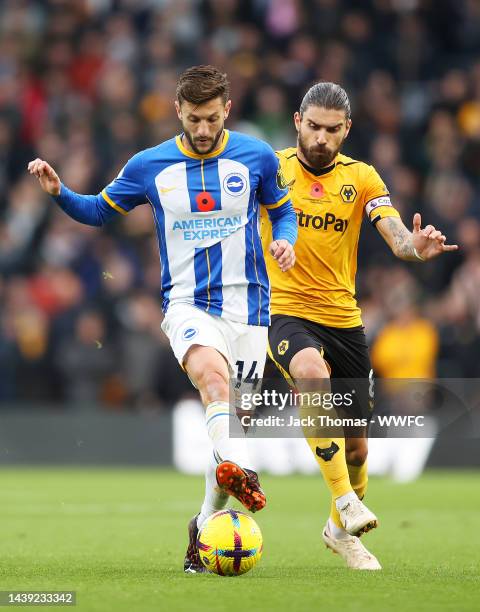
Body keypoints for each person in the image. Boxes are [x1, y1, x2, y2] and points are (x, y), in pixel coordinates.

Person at [28, 65, 298, 573]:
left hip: (251, 309)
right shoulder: (150, 165)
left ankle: (203, 526)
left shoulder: (256, 156)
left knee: (232, 425)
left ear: (227, 112)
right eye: (194, 118)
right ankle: (248, 469)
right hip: (189, 305)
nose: (202, 130)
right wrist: (60, 192)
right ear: (178, 111)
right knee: (212, 382)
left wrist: (286, 239)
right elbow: (98, 212)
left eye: (212, 119)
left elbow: (283, 211)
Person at [261, 82, 457, 570]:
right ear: (297, 121)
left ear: (346, 129)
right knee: (311, 374)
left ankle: (337, 530)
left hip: (343, 320)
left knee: (357, 446)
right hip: (284, 309)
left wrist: (416, 246)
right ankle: (346, 502)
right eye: (313, 127)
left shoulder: (363, 178)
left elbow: (395, 235)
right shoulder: (271, 168)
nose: (322, 138)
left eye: (332, 130)